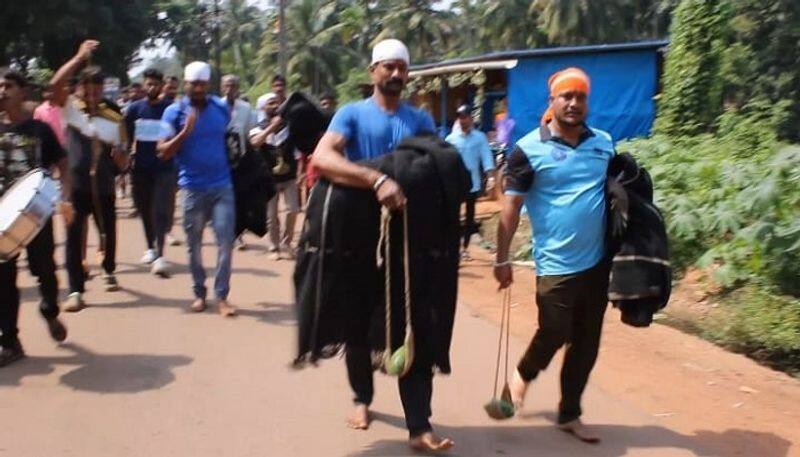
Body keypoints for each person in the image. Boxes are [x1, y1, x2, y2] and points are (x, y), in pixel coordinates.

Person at [311, 39, 453, 453]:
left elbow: (437, 168)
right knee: (358, 325)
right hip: (360, 237)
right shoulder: (351, 114)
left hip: (410, 241)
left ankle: (419, 426)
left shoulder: (421, 120)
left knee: (417, 326)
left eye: (401, 68)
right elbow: (322, 157)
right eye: (387, 67)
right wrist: (375, 180)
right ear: (373, 71)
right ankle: (362, 398)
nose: (395, 74)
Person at [494, 67, 614, 443]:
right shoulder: (528, 149)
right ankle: (521, 377)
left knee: (587, 341)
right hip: (555, 265)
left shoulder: (604, 144)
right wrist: (502, 258)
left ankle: (569, 413)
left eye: (581, 97)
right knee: (554, 331)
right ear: (553, 101)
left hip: (597, 263)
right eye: (567, 96)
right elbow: (511, 209)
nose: (575, 103)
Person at [0, 69, 74, 367]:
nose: (2, 91)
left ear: (23, 92)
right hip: (2, 219)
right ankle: (10, 341)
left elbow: (64, 165)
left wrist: (65, 198)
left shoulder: (39, 130)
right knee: (3, 281)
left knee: (44, 271)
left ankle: (49, 311)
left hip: (36, 213)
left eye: (7, 86)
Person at [50, 40, 129, 312]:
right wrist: (77, 58)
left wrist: (121, 161)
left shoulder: (114, 116)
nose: (93, 93)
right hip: (74, 187)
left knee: (107, 231)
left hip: (104, 187)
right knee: (73, 238)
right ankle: (75, 290)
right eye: (87, 87)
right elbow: (54, 85)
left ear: (103, 88)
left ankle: (108, 269)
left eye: (98, 88)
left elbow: (123, 156)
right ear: (80, 89)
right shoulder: (70, 108)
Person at [157, 61, 236, 317]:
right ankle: (199, 293)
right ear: (185, 84)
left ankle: (222, 295)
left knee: (225, 242)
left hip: (222, 185)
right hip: (192, 188)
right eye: (194, 84)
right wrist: (184, 133)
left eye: (203, 84)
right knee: (195, 245)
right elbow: (162, 151)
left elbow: (230, 140)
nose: (199, 88)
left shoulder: (221, 109)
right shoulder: (173, 112)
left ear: (208, 84)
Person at [124, 68, 175, 276]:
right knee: (145, 209)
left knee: (161, 210)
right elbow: (126, 137)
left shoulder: (170, 109)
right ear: (144, 85)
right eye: (148, 84)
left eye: (155, 84)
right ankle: (151, 248)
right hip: (141, 168)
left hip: (164, 167)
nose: (151, 87)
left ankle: (161, 252)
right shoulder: (134, 109)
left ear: (161, 86)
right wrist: (125, 159)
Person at [249, 92, 299, 260]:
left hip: (289, 176)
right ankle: (274, 245)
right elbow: (255, 143)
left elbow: (297, 149)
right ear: (263, 107)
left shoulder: (289, 126)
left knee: (293, 209)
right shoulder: (257, 127)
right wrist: (271, 127)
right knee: (271, 215)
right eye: (271, 103)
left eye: (277, 102)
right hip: (268, 177)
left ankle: (287, 241)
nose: (275, 106)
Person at [445, 104, 495, 260]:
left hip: (472, 184)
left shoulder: (479, 138)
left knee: (469, 218)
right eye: (460, 117)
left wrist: (491, 177)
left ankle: (464, 248)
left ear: (471, 118)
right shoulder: (450, 139)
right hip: (455, 184)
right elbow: (446, 162)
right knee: (452, 216)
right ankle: (452, 246)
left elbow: (486, 156)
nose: (463, 120)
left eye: (465, 117)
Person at [221, 74, 256, 251]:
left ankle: (238, 235)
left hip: (240, 160)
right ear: (222, 87)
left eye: (233, 85)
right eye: (227, 85)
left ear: (238, 88)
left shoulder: (246, 108)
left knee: (239, 198)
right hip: (219, 160)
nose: (230, 89)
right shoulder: (214, 107)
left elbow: (250, 135)